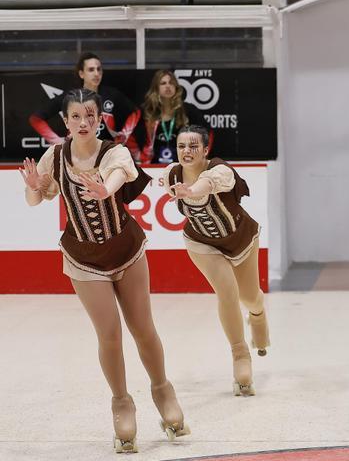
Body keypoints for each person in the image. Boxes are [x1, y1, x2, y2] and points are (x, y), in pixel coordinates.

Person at [19, 89, 189, 453]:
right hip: (83, 258)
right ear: (65, 122)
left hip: (126, 249)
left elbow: (116, 178)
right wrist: (35, 188)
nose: (84, 122)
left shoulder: (115, 151)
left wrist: (104, 190)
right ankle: (122, 402)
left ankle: (162, 390)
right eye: (76, 116)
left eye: (90, 116)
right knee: (109, 334)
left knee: (143, 328)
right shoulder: (56, 156)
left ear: (100, 120)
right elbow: (37, 198)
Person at [163, 125, 269, 396]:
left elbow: (206, 185)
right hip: (202, 243)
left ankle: (257, 315)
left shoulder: (221, 171)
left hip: (241, 239)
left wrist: (190, 191)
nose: (187, 152)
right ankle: (240, 355)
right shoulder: (170, 174)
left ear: (206, 149)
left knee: (250, 297)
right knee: (227, 292)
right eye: (182, 146)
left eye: (193, 146)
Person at [29, 52, 140, 152]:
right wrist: (57, 141)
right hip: (77, 154)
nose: (96, 73)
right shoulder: (71, 97)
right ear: (81, 74)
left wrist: (124, 134)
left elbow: (135, 112)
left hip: (106, 153)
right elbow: (36, 119)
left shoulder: (112, 94)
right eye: (91, 70)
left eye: (99, 69)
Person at [140, 69, 212, 165]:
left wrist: (200, 157)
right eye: (163, 83)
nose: (168, 86)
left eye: (171, 83)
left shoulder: (188, 110)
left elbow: (207, 134)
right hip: (153, 165)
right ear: (156, 88)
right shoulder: (148, 112)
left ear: (176, 87)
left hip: (185, 165)